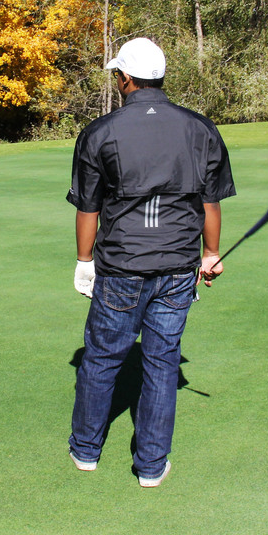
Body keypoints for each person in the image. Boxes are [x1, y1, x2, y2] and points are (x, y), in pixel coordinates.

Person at [66, 37, 236, 487]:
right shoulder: (200, 128)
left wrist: (84, 261)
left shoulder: (100, 131)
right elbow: (210, 203)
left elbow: (88, 207)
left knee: (102, 358)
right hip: (178, 267)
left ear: (126, 78)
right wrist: (211, 253)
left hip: (121, 266)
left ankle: (86, 450)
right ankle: (151, 466)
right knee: (162, 363)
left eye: (116, 75)